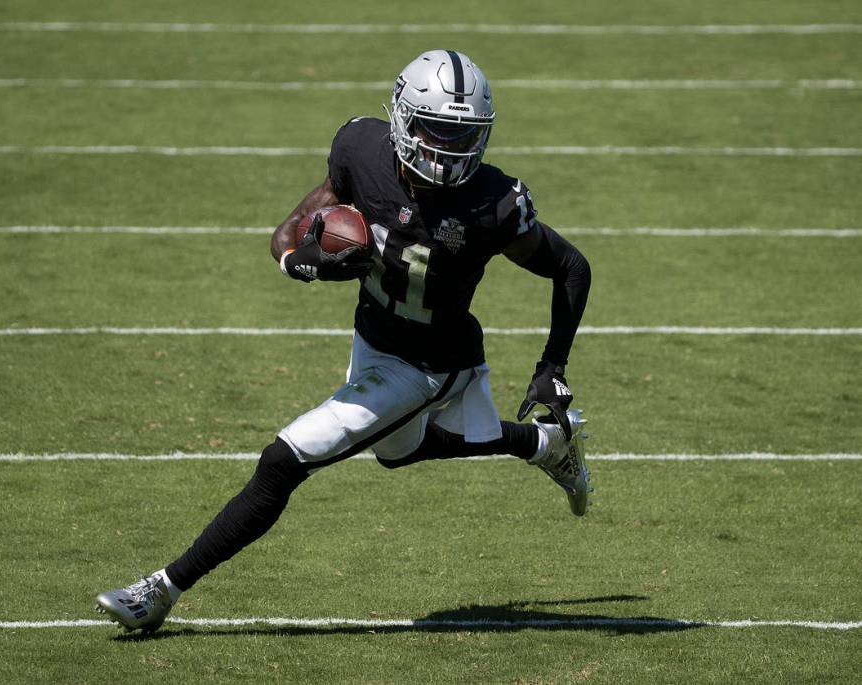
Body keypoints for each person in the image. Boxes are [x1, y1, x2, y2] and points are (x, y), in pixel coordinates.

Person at [95, 50, 592, 633]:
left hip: (431, 364)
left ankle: (160, 591)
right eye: (437, 134)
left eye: (464, 137)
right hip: (373, 337)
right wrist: (301, 262)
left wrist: (552, 366)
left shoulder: (493, 203)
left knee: (284, 459)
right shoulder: (361, 148)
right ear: (404, 121)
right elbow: (289, 231)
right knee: (399, 451)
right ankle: (543, 443)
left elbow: (571, 267)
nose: (450, 153)